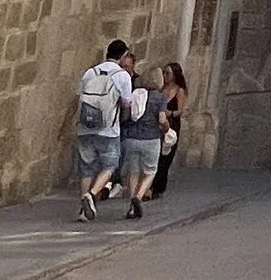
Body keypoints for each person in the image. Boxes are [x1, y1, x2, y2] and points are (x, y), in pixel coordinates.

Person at [73, 40, 136, 217]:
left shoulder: (90, 73)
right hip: (108, 129)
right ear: (123, 56)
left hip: (86, 126)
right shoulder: (123, 76)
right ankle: (91, 195)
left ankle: (83, 211)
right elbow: (126, 104)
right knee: (110, 165)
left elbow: (78, 98)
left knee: (86, 167)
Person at [117, 60, 169, 220]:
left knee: (134, 170)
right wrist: (167, 128)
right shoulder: (160, 98)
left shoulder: (136, 94)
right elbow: (161, 119)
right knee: (150, 171)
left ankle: (132, 202)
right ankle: (138, 197)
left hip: (131, 138)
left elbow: (126, 116)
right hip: (150, 138)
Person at [148, 62, 188, 199]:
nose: (165, 76)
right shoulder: (161, 89)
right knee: (156, 155)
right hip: (159, 124)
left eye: (168, 73)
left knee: (166, 156)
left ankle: (159, 187)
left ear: (174, 75)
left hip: (172, 125)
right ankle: (151, 186)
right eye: (164, 73)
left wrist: (167, 113)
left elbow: (180, 111)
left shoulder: (179, 90)